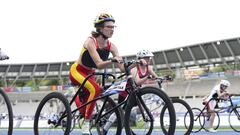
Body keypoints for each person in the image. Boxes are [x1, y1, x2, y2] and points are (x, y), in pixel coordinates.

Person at [69, 13, 123, 134]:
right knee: (96, 90)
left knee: (84, 110)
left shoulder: (112, 46)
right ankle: (86, 124)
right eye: (109, 27)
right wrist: (112, 60)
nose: (112, 29)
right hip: (77, 71)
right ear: (99, 28)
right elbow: (99, 64)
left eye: (113, 27)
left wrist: (136, 64)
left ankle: (82, 109)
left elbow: (122, 69)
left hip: (90, 73)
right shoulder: (90, 41)